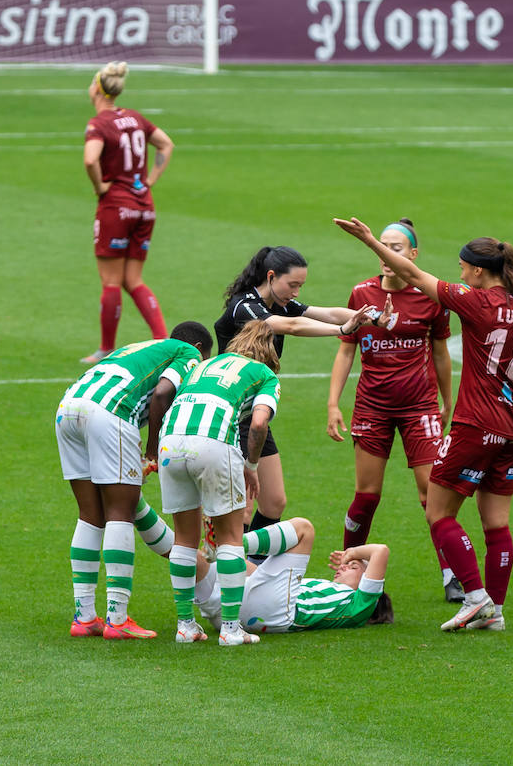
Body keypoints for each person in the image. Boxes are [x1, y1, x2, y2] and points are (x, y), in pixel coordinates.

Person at [335, 216, 513, 633]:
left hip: (475, 424)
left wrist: (367, 240)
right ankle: (495, 611)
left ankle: (474, 597)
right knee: (497, 523)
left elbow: (412, 273)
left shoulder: (476, 300)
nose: (460, 273)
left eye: (462, 267)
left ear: (478, 271)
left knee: (438, 511)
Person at [326, 218, 459, 603]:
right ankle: (347, 568)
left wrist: (447, 400)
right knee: (367, 495)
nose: (386, 255)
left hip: (420, 406)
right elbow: (347, 348)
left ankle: (451, 573)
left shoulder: (431, 297)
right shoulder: (361, 293)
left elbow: (440, 353)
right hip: (372, 406)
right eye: (381, 246)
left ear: (412, 254)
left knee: (430, 494)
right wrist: (334, 402)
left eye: (395, 248)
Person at [57, 321, 213, 639]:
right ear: (199, 349)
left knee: (90, 514)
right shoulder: (188, 353)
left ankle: (84, 617)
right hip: (108, 413)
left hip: (67, 409)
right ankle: (117, 619)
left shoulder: (137, 348)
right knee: (120, 514)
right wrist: (152, 454)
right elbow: (161, 396)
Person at [213, 246, 375, 539]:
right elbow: (292, 326)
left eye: (301, 286)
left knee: (274, 502)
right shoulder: (244, 306)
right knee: (243, 508)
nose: (297, 293)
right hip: (231, 413)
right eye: (293, 285)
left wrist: (373, 317)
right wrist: (343, 330)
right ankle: (230, 574)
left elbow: (326, 312)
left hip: (255, 411)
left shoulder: (281, 302)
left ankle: (252, 568)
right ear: (272, 276)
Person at [156, 320, 282, 646]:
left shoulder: (204, 364)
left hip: (169, 440)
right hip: (212, 442)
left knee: (184, 537)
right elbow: (258, 424)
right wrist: (251, 466)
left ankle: (185, 625)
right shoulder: (264, 374)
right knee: (230, 538)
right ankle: (230, 628)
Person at [81, 61, 176, 364]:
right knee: (133, 279)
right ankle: (163, 340)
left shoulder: (98, 124)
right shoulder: (134, 118)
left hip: (116, 207)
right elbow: (165, 144)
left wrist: (100, 186)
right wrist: (150, 180)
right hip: (144, 206)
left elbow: (90, 160)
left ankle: (106, 348)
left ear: (97, 88)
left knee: (111, 281)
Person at [188, 518, 391, 638]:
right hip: (230, 616)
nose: (344, 565)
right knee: (192, 557)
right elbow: (257, 576)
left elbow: (381, 551)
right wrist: (230, 557)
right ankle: (154, 520)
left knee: (304, 529)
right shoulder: (323, 588)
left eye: (353, 567)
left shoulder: (360, 606)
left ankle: (232, 543)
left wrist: (353, 552)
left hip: (278, 614)